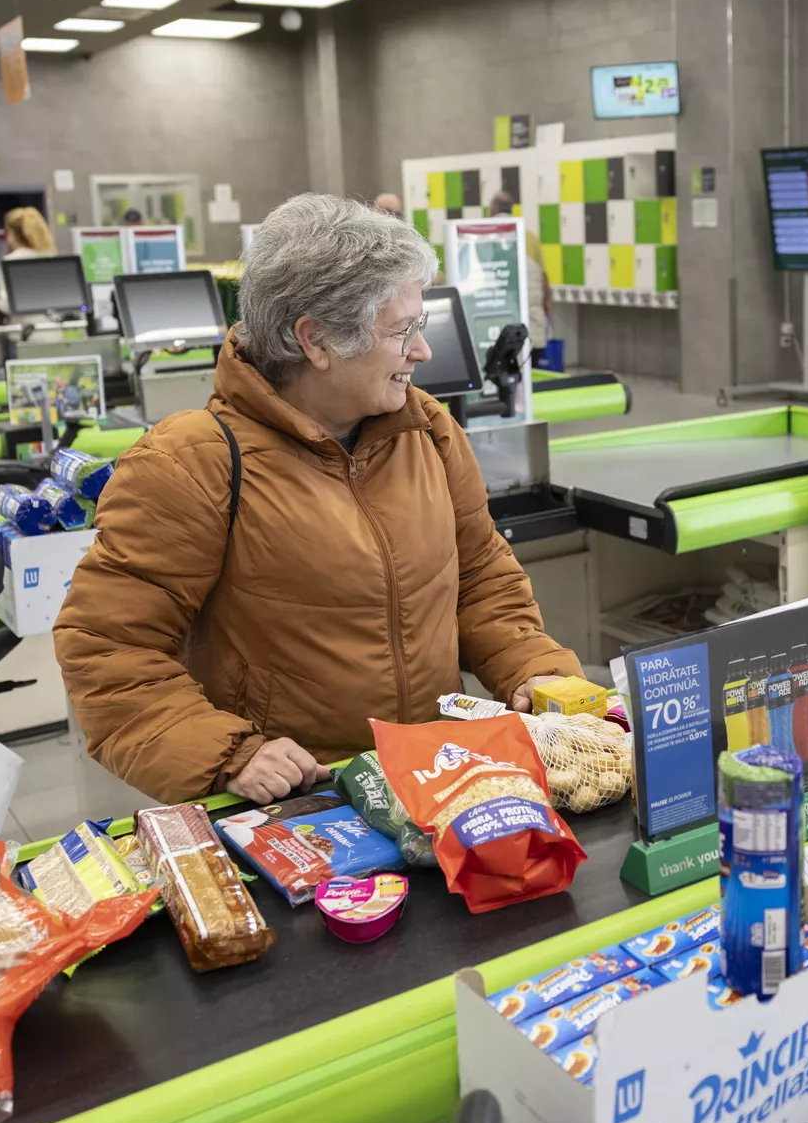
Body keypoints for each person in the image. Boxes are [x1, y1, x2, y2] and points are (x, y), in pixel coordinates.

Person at [54, 193, 581, 804]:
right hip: (305, 804)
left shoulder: (427, 431)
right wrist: (227, 754)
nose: (423, 351)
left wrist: (532, 668)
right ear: (316, 340)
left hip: (438, 782)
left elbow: (481, 576)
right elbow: (108, 650)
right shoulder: (192, 463)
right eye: (403, 331)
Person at [488, 190, 551, 338]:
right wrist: (546, 304)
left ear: (491, 211)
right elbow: (543, 276)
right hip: (530, 314)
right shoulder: (529, 236)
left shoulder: (485, 236)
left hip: (501, 307)